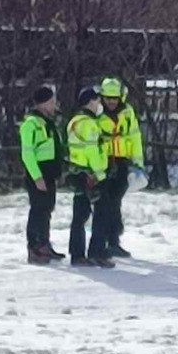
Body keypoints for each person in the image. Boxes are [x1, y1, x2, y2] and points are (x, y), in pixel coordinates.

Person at [66, 87, 115, 268]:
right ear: (91, 102)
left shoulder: (74, 122)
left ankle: (77, 254)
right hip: (92, 176)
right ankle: (97, 252)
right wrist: (100, 174)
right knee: (102, 213)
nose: (99, 104)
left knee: (79, 215)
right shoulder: (89, 124)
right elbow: (93, 151)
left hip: (77, 172)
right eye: (97, 101)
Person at [19, 86, 65, 265]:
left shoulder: (48, 122)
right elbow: (27, 154)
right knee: (38, 210)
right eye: (52, 102)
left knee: (47, 209)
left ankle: (45, 244)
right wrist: (37, 177)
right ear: (43, 103)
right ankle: (34, 247)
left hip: (50, 173)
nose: (54, 105)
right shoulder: (30, 124)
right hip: (37, 173)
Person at [98, 77, 143, 258]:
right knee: (106, 202)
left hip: (122, 161)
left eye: (114, 98)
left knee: (116, 200)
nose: (111, 102)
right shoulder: (97, 114)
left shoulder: (127, 112)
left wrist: (138, 162)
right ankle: (106, 239)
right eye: (108, 98)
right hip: (104, 162)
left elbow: (135, 137)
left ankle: (114, 240)